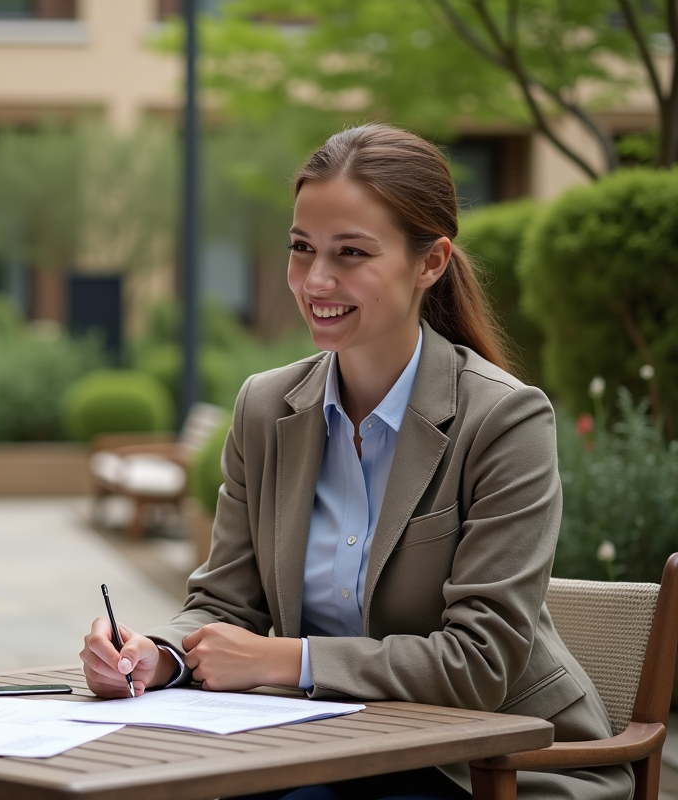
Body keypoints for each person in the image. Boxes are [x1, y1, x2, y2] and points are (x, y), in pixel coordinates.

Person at [79, 124, 631, 800]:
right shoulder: (265, 408)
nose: (316, 279)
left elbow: (479, 663)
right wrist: (155, 655)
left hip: (493, 762)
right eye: (302, 248)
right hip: (330, 749)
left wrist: (290, 659)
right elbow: (224, 602)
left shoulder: (504, 420)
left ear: (430, 263)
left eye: (350, 253)